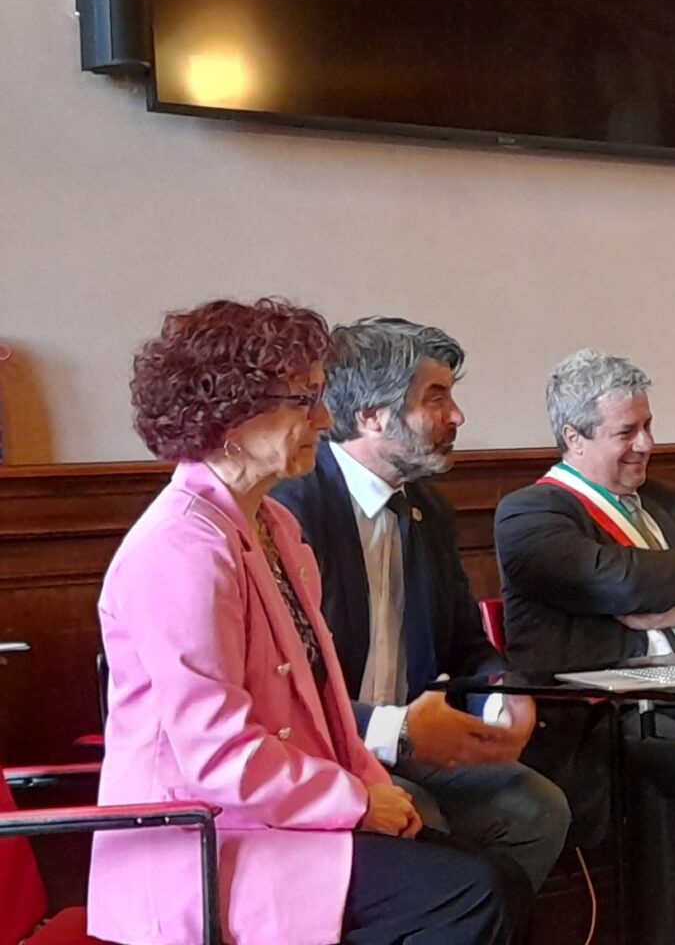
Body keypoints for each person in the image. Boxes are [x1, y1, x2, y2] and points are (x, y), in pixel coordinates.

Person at [91, 298, 511, 945]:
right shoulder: (180, 548)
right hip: (200, 842)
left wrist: (370, 785)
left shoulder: (273, 524)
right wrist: (357, 801)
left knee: (497, 880)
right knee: (467, 895)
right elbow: (217, 755)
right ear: (230, 415)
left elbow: (321, 704)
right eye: (304, 400)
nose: (324, 418)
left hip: (270, 819)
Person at [494, 349, 675, 944]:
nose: (647, 444)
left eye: (648, 425)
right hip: (599, 721)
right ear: (574, 438)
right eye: (626, 432)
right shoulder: (530, 513)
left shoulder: (670, 502)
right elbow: (617, 582)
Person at [273, 317, 571, 892]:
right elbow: (286, 688)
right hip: (325, 754)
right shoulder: (292, 511)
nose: (456, 416)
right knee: (420, 817)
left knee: (537, 808)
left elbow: (465, 644)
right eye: (436, 398)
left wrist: (501, 697)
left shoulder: (427, 510)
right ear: (372, 416)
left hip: (413, 743)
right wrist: (397, 728)